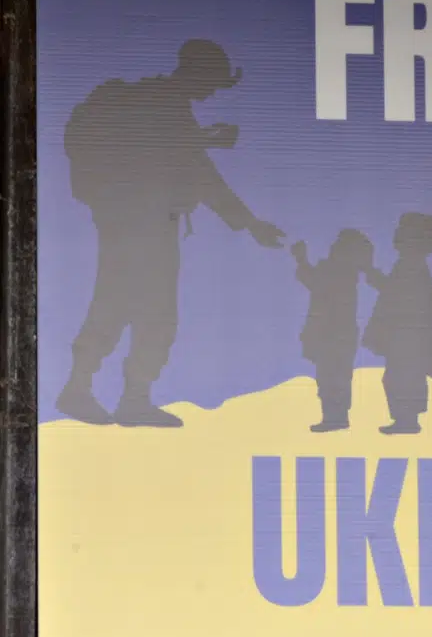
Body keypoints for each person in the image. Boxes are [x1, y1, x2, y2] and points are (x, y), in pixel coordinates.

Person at [56, 39, 286, 427]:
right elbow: (186, 164)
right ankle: (85, 391)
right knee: (123, 304)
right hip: (137, 223)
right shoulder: (158, 102)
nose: (213, 91)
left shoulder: (168, 106)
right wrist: (208, 144)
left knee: (144, 309)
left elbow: (193, 167)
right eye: (212, 82)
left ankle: (127, 398)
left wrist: (248, 222)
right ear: (195, 73)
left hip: (148, 223)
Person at [362, 212, 432, 435]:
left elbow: (398, 294)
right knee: (397, 377)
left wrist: (372, 274)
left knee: (402, 377)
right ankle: (404, 419)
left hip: (408, 340)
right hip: (405, 339)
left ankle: (407, 420)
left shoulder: (412, 265)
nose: (397, 234)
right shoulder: (408, 264)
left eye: (403, 230)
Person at [292, 229, 375, 432]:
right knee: (332, 376)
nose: (332, 247)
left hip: (335, 337)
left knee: (333, 377)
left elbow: (313, 281)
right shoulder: (342, 273)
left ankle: (335, 418)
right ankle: (334, 416)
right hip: (337, 336)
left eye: (338, 245)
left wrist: (301, 259)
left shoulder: (340, 273)